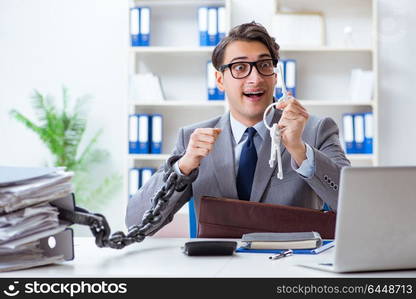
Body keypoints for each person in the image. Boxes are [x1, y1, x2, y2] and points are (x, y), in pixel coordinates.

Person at [125, 22, 350, 234]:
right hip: (219, 269)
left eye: (264, 66)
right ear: (220, 80)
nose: (255, 78)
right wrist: (183, 167)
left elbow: (353, 206)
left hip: (289, 266)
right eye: (240, 67)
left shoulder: (316, 130)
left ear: (275, 76)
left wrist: (300, 150)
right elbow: (136, 221)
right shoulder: (192, 140)